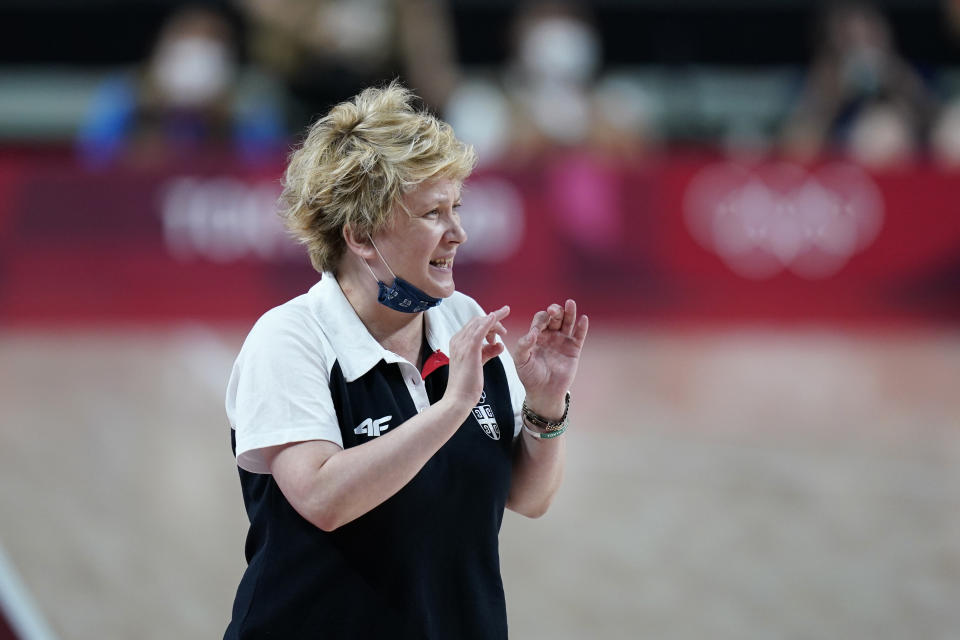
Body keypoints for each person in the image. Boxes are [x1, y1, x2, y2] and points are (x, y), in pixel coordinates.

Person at [223, 81, 589, 639]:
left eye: (457, 207)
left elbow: (529, 498)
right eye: (432, 213)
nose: (458, 233)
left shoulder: (462, 318)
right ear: (363, 236)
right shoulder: (291, 337)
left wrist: (545, 406)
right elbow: (323, 498)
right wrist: (452, 407)